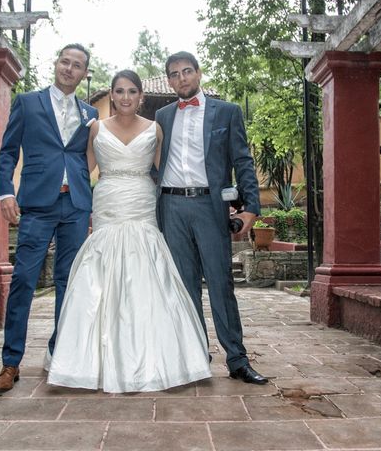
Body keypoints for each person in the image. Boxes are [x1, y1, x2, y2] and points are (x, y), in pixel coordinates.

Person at [47, 70, 212, 393]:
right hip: (108, 203)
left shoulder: (155, 130)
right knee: (99, 274)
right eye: (119, 91)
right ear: (111, 94)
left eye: (132, 91)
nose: (125, 97)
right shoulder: (95, 128)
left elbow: (168, 171)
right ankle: (86, 362)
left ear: (141, 97)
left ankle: (159, 359)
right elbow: (83, 171)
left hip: (141, 203)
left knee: (147, 273)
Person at [155, 51, 268, 385]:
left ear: (199, 73)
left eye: (186, 71)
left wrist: (250, 207)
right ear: (169, 80)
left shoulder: (228, 112)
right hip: (171, 207)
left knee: (221, 283)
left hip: (209, 206)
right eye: (174, 74)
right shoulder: (161, 116)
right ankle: (194, 356)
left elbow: (243, 160)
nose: (181, 79)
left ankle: (237, 360)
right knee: (185, 287)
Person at [0, 44, 99, 393]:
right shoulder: (28, 103)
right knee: (23, 279)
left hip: (77, 205)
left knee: (69, 283)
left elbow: (88, 157)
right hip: (37, 204)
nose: (69, 68)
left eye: (77, 65)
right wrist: (5, 191)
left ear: (84, 74)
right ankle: (11, 362)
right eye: (65, 61)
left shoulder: (89, 113)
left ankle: (60, 355)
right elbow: (7, 151)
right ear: (56, 64)